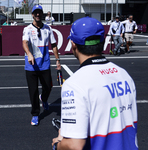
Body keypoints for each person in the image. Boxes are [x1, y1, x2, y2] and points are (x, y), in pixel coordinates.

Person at [52, 17, 138, 150]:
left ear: (73, 44)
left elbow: (75, 145)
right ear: (103, 42)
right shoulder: (124, 74)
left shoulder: (75, 84)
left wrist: (58, 144)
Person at [22, 4, 61, 126]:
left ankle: (43, 99)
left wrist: (58, 60)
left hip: (44, 64)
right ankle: (35, 114)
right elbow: (24, 43)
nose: (38, 14)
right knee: (33, 91)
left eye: (40, 12)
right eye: (36, 12)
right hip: (31, 65)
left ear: (42, 14)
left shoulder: (48, 29)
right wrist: (29, 53)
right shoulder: (27, 29)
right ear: (32, 15)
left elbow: (53, 45)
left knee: (48, 87)